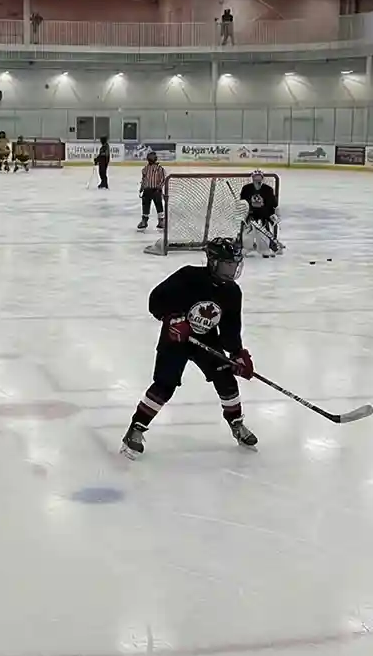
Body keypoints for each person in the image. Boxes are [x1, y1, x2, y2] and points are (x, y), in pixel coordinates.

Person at [119, 237, 255, 459]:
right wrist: (173, 318)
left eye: (234, 265)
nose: (231, 271)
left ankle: (237, 424)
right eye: (227, 265)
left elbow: (230, 329)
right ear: (213, 262)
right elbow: (156, 300)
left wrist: (237, 354)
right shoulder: (188, 277)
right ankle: (135, 429)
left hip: (206, 340)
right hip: (176, 338)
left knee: (226, 379)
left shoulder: (232, 292)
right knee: (164, 385)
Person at [238, 170, 282, 256]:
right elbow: (243, 202)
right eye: (255, 177)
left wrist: (272, 214)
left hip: (263, 215)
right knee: (248, 232)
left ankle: (264, 249)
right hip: (250, 214)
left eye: (259, 177)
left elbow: (273, 203)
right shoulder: (246, 188)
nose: (257, 179)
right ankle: (247, 248)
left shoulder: (268, 189)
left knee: (263, 233)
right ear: (252, 178)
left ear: (262, 178)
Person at [138, 150, 166, 231]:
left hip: (156, 190)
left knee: (159, 205)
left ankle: (161, 221)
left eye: (152, 158)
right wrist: (142, 188)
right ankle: (144, 221)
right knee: (145, 205)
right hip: (147, 190)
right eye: (149, 157)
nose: (150, 159)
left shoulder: (159, 169)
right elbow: (144, 179)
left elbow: (163, 179)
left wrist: (159, 188)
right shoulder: (145, 169)